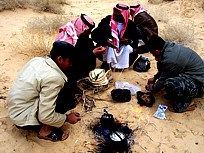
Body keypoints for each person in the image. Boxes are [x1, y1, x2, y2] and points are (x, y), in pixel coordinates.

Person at [8, 41, 82, 142]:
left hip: (14, 107)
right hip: (22, 118)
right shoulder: (54, 77)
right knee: (66, 94)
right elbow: (45, 116)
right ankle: (45, 131)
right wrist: (66, 118)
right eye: (70, 62)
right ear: (60, 59)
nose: (71, 65)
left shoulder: (37, 60)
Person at [145, 36, 204, 113]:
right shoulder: (168, 48)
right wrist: (155, 78)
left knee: (170, 84)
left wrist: (153, 89)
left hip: (200, 85)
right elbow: (165, 69)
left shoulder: (170, 59)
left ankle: (187, 103)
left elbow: (163, 78)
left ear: (157, 51)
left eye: (153, 54)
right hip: (194, 76)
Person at [56, 14, 106, 83]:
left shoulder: (82, 37)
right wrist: (92, 54)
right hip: (68, 73)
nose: (89, 33)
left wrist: (98, 50)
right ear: (82, 28)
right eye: (88, 31)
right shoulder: (68, 40)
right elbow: (73, 63)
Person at [91, 3, 141, 71]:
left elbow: (135, 41)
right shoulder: (107, 21)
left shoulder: (130, 25)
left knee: (127, 48)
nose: (116, 14)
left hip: (122, 48)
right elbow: (94, 34)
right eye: (115, 11)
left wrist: (129, 41)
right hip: (109, 46)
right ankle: (107, 63)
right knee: (108, 47)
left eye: (119, 13)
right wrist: (106, 41)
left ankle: (121, 66)